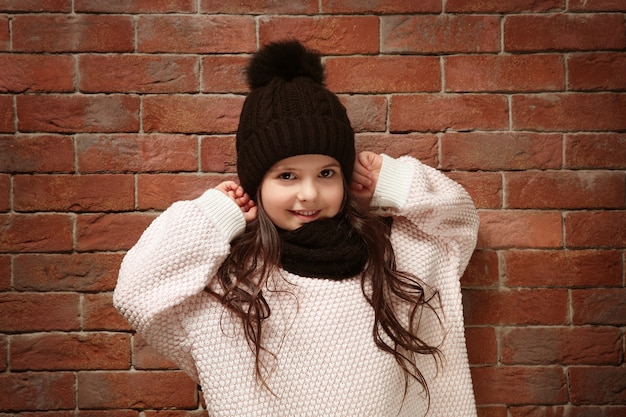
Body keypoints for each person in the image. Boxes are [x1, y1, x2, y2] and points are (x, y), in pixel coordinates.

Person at [114, 40, 479, 417]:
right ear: (256, 184)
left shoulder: (394, 257)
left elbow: (458, 226)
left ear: (346, 175)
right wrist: (212, 216)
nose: (309, 193)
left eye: (326, 173)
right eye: (286, 176)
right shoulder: (228, 285)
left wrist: (394, 183)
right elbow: (136, 290)